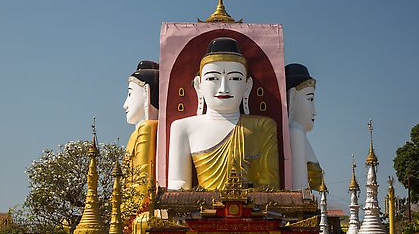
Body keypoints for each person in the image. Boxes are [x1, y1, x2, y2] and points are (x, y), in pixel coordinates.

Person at [167, 37, 280, 190]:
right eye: (213, 78)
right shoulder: (183, 128)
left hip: (250, 210)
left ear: (247, 86)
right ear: (198, 85)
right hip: (198, 210)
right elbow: (178, 183)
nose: (223, 88)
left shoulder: (263, 126)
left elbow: (270, 187)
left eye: (234, 78)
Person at [123, 60, 159, 196]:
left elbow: (142, 184)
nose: (125, 105)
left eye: (130, 94)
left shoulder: (147, 128)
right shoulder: (135, 134)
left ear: (146, 93)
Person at [285, 63, 322, 191]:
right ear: (292, 96)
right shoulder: (295, 132)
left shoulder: (299, 134)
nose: (314, 111)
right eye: (310, 99)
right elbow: (300, 190)